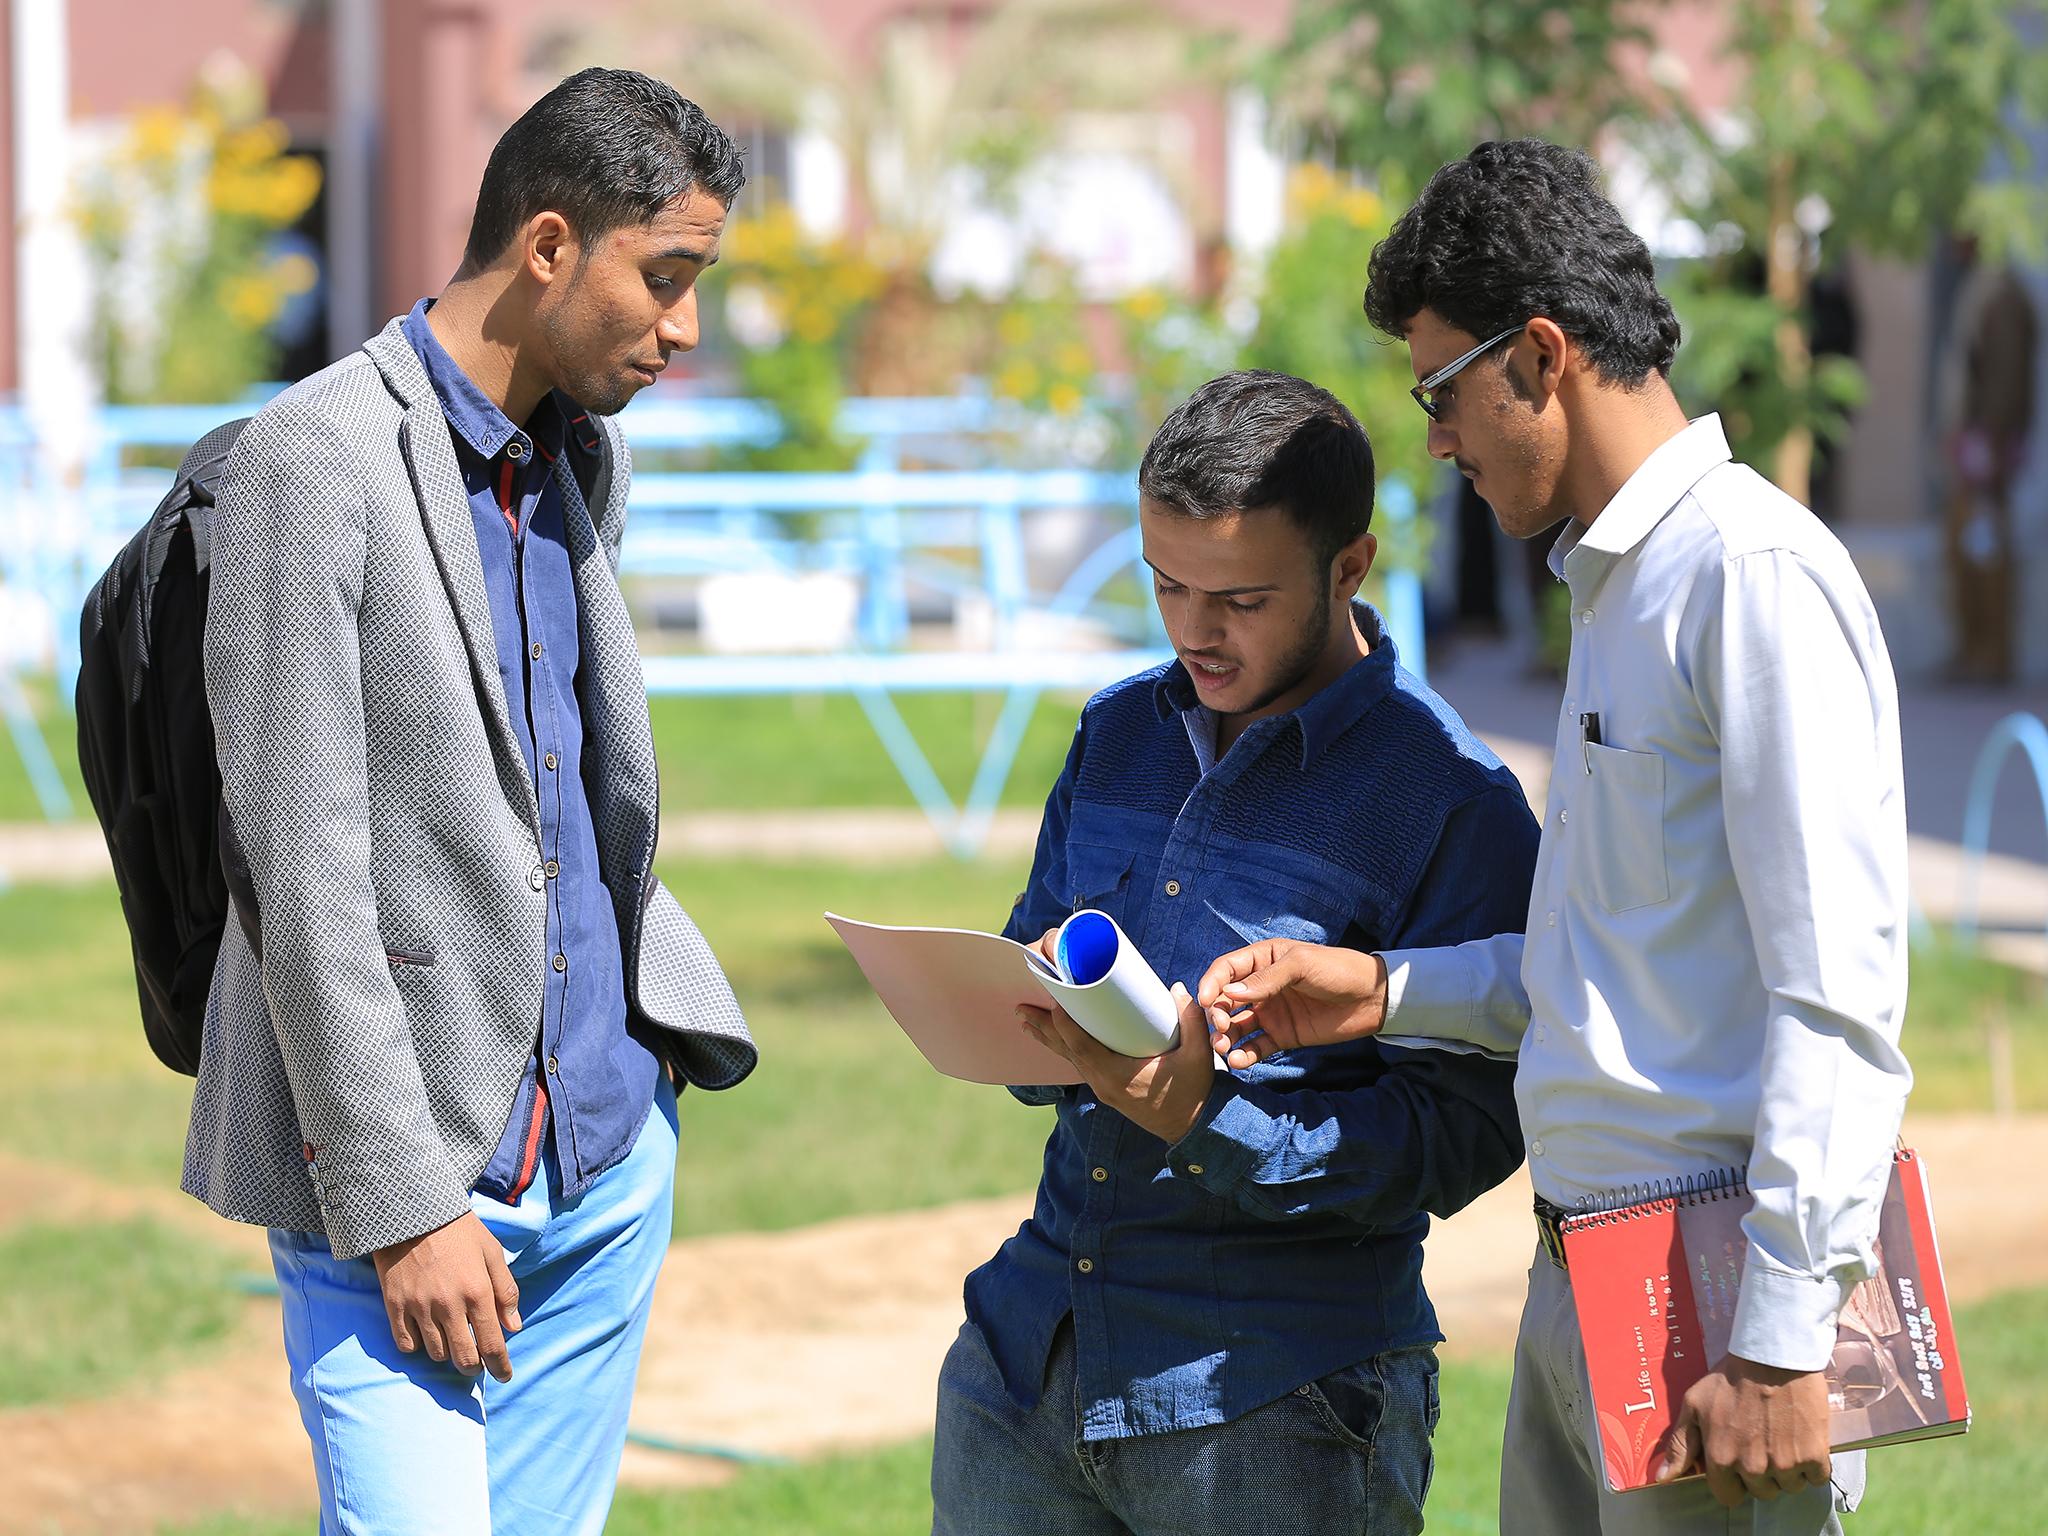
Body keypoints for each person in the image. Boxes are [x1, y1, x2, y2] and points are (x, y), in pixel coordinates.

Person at [1197, 140, 1911, 1535]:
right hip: (1583, 1277)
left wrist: (1777, 1334)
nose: (1437, 439)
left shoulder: (1747, 575)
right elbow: (1614, 977)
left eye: (1441, 392)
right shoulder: (1616, 586)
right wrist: (1383, 991)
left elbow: (1840, 996)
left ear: (1538, 356)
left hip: (1715, 1293)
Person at [185, 68, 758, 1534]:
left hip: (607, 1157)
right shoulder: (309, 464)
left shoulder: (580, 449)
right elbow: (298, 874)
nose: (687, 327)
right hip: (414, 1185)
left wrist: (638, 1093)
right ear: (550, 246)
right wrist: (405, 1206)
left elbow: (565, 790)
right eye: (668, 277)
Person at [930, 370, 1539, 1536]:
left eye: (1240, 600)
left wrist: (1212, 1121)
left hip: (1274, 1400)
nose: (1191, 631)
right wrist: (1034, 1002)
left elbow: (1467, 1135)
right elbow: (1025, 972)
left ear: (1348, 567)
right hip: (1024, 1368)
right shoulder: (1117, 731)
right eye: (1164, 584)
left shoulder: (1449, 799)